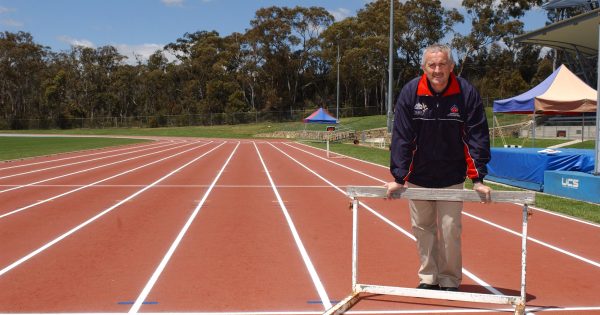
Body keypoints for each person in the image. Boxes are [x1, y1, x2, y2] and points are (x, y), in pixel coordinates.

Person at [385, 43, 492, 292]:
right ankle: (429, 278)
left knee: (449, 230)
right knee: (423, 230)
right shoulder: (411, 93)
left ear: (451, 66)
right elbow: (402, 137)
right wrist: (399, 177)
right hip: (418, 177)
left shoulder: (466, 93)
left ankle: (450, 280)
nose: (437, 70)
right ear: (424, 67)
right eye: (432, 65)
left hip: (451, 176)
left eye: (442, 64)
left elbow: (476, 137)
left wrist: (477, 179)